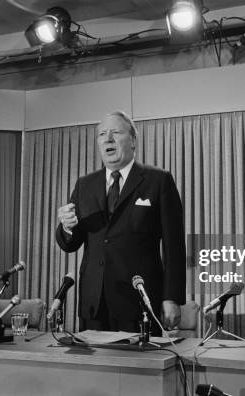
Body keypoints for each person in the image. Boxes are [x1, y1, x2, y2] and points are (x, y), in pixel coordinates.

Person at [56, 111, 186, 333]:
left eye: (115, 133)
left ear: (133, 140)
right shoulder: (84, 185)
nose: (108, 139)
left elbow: (174, 247)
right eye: (102, 134)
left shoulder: (158, 180)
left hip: (138, 301)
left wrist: (171, 298)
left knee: (139, 367)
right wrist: (67, 227)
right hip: (94, 303)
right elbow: (71, 244)